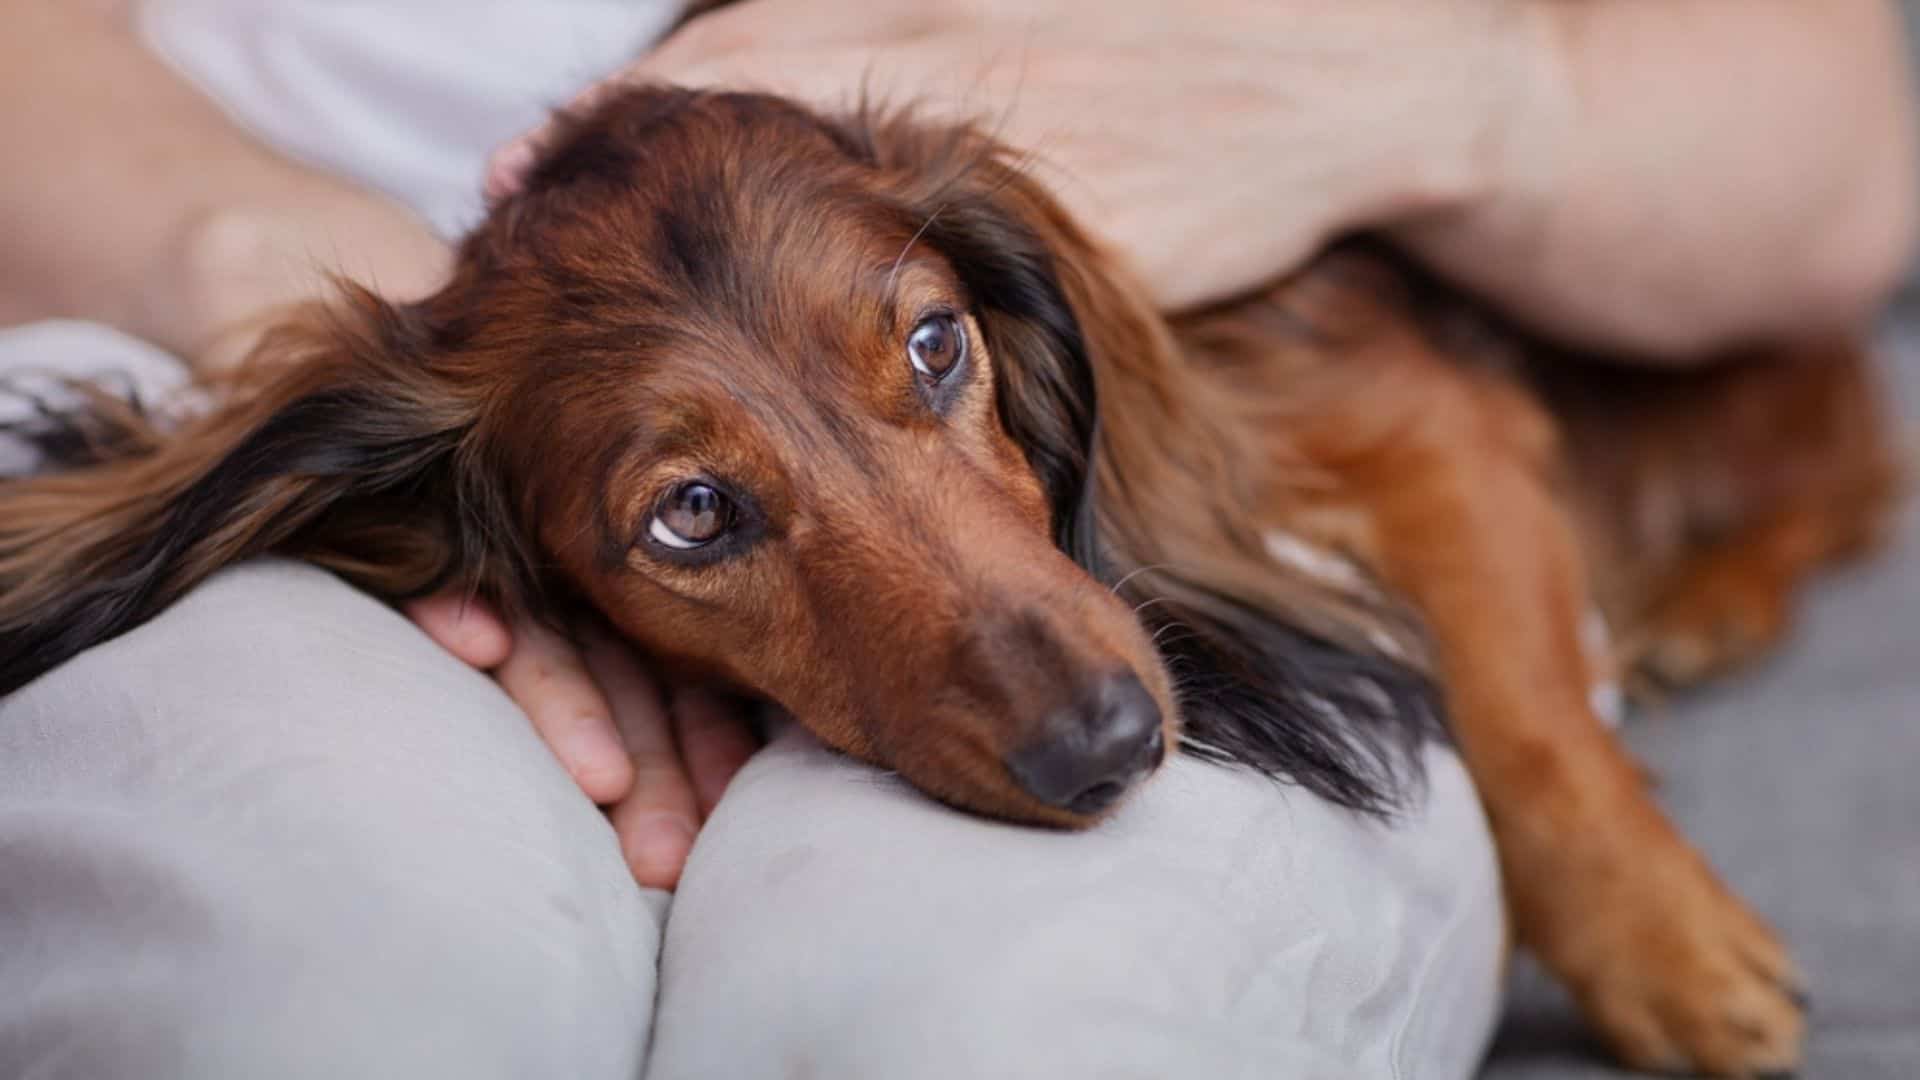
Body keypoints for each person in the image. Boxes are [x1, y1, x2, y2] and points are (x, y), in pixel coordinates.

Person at [0, 2, 1913, 1077]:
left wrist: (1377, 92)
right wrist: (236, 264)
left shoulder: (1049, 315)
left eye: (932, 357)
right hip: (241, 346)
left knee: (1008, 1027)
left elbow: (1843, 170)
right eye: (704, 517)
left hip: (1166, 374)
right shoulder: (351, 424)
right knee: (289, 989)